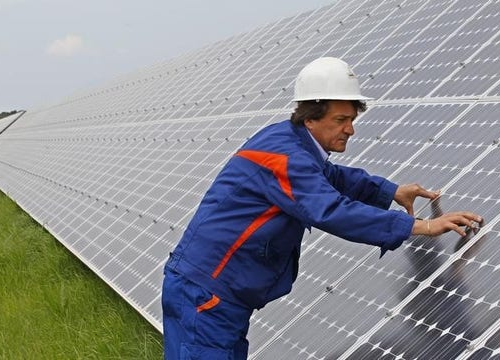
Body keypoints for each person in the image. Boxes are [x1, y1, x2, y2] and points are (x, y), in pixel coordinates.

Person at [161, 57, 482, 359]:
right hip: (206, 293)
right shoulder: (284, 157)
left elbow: (334, 177)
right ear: (311, 117)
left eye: (352, 119)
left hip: (220, 293)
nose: (350, 129)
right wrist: (421, 226)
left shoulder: (291, 144)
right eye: (340, 120)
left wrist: (391, 191)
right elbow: (330, 209)